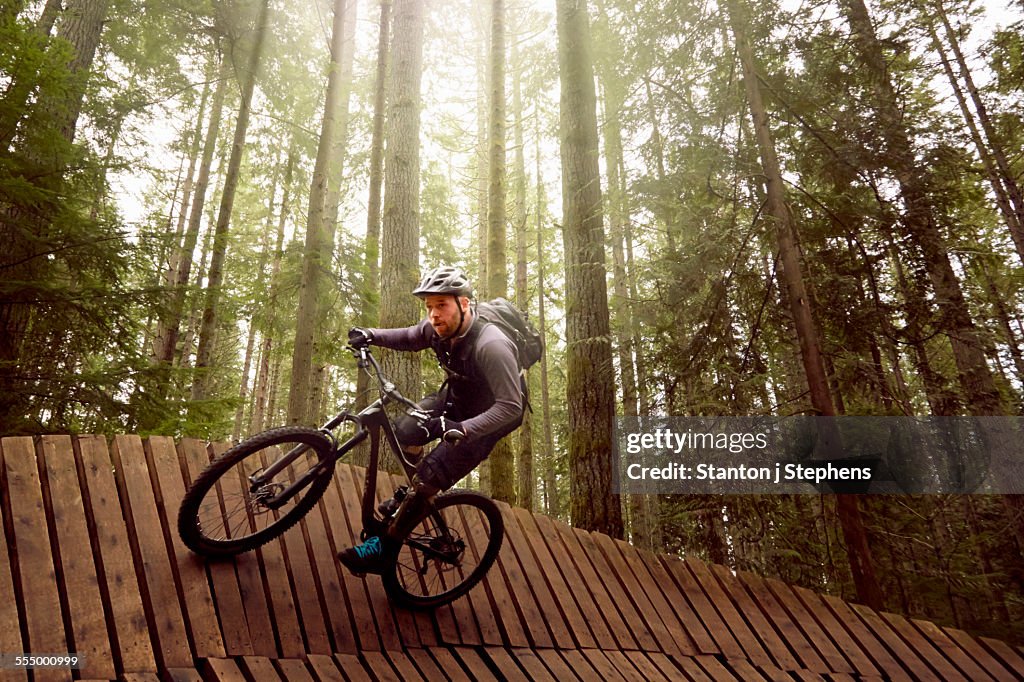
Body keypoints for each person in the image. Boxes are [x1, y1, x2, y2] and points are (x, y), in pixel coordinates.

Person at [338, 265, 525, 574]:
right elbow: (411, 336)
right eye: (429, 306)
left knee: (428, 478)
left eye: (442, 305)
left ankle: (381, 548)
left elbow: (510, 407)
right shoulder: (440, 327)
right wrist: (371, 335)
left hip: (488, 419)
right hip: (456, 397)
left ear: (464, 304)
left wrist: (460, 429)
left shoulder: (492, 345)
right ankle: (408, 495)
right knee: (405, 430)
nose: (434, 315)